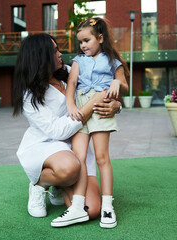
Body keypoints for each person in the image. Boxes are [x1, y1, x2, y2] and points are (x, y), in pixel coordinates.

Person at [12, 33, 122, 222]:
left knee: (92, 210)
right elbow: (57, 131)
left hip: (76, 145)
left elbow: (104, 88)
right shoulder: (29, 95)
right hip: (46, 145)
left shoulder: (71, 71)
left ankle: (60, 184)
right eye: (54, 51)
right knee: (70, 168)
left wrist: (117, 106)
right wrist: (92, 103)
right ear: (41, 57)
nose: (60, 54)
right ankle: (40, 184)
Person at [51, 17, 129, 229]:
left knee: (102, 158)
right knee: (80, 158)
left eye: (87, 40)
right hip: (80, 108)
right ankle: (77, 205)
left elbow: (125, 87)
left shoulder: (114, 60)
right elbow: (72, 84)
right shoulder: (78, 61)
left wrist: (116, 82)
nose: (83, 45)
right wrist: (71, 106)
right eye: (81, 42)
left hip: (102, 106)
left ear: (100, 38)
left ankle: (107, 206)